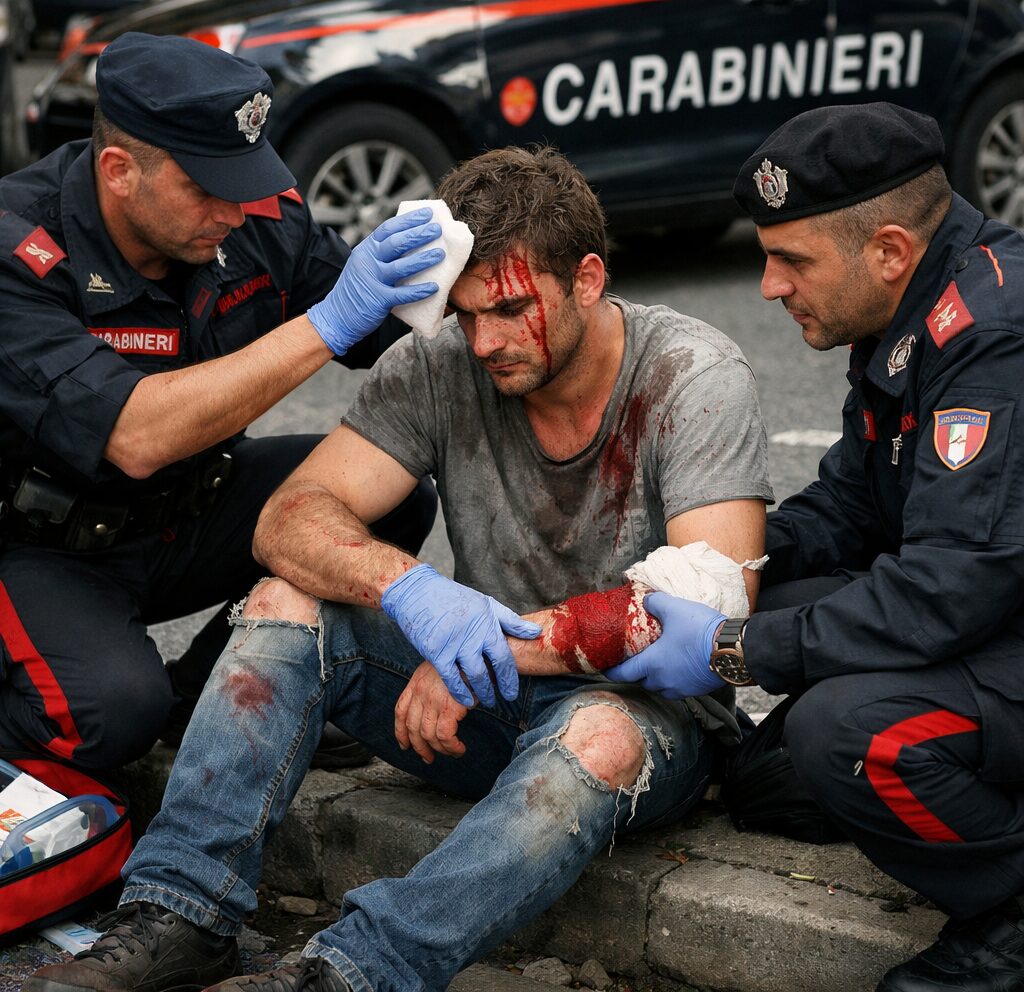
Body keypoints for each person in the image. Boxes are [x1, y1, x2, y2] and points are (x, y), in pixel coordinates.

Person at [27, 145, 773, 992]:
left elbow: (702, 604)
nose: (484, 341)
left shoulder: (691, 372)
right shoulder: (442, 360)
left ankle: (353, 973)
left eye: (511, 309)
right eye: (465, 312)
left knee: (595, 735)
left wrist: (484, 648)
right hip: (477, 702)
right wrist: (411, 591)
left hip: (642, 721)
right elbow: (288, 518)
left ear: (589, 279)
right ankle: (180, 913)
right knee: (286, 599)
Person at [609, 102, 1024, 992]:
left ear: (888, 250)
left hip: (989, 610)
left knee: (848, 735)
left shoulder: (990, 337)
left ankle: (1009, 914)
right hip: (991, 609)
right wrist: (715, 561)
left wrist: (730, 648)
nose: (769, 285)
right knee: (774, 773)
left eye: (791, 260)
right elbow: (851, 506)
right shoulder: (907, 305)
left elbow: (947, 589)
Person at [0, 31, 446, 771]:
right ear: (119, 171)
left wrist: (464, 271)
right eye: (206, 187)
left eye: (242, 180)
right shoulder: (18, 249)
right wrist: (326, 325)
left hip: (189, 510)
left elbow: (391, 331)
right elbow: (134, 433)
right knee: (110, 717)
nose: (234, 210)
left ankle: (207, 700)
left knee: (384, 492)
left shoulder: (255, 217)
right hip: (43, 545)